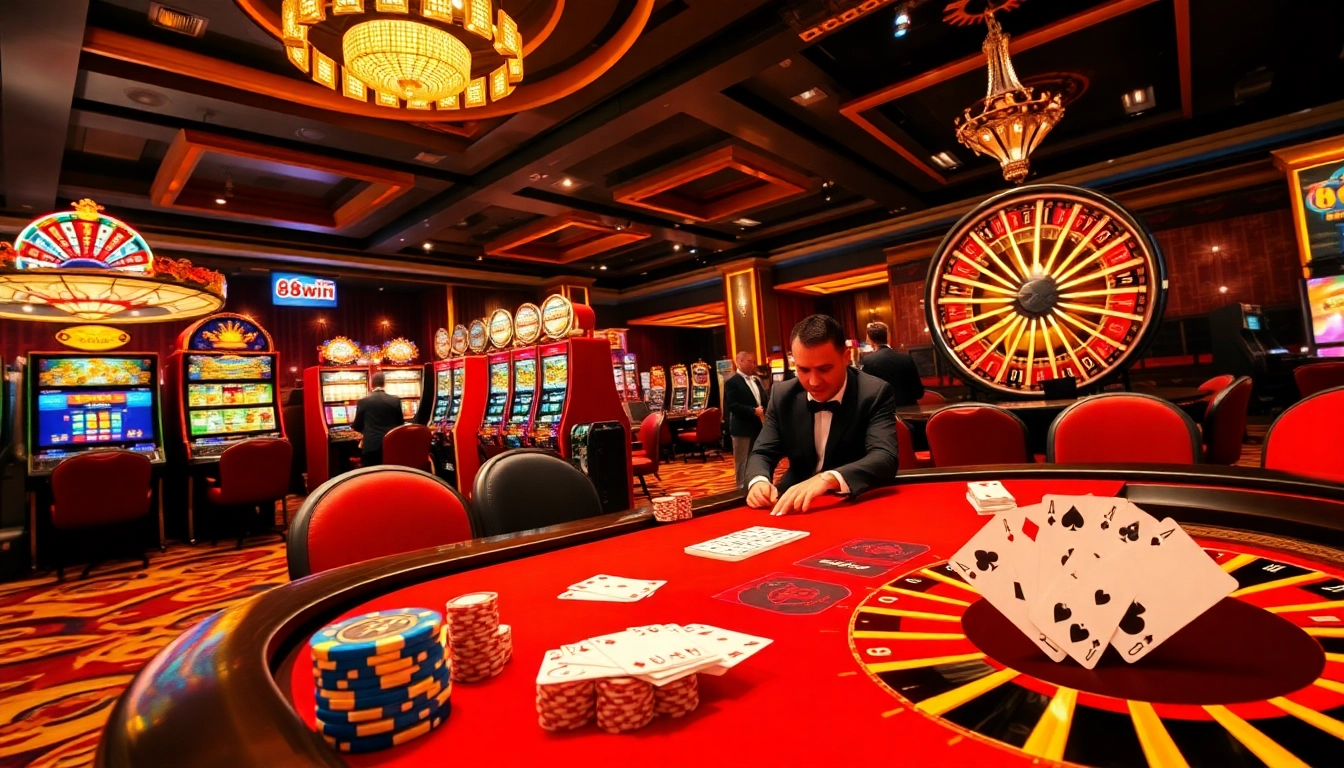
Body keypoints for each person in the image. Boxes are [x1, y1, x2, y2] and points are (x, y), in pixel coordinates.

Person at [745, 314, 899, 516]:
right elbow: (762, 453)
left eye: (824, 369)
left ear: (845, 357)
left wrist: (827, 479)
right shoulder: (783, 395)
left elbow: (885, 457)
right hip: (794, 506)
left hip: (854, 504)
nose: (814, 381)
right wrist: (759, 481)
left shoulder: (874, 393)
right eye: (803, 369)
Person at [722, 350, 769, 487]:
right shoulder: (732, 382)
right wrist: (752, 410)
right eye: (750, 362)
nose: (754, 365)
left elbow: (763, 400)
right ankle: (741, 488)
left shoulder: (756, 380)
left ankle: (754, 484)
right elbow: (732, 405)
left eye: (754, 362)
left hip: (758, 426)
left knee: (757, 458)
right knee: (742, 461)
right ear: (740, 362)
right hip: (742, 428)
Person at [859, 321, 925, 407]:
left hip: (882, 415)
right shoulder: (906, 359)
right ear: (888, 337)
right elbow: (919, 393)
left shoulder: (867, 361)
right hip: (910, 414)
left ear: (870, 340)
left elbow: (864, 394)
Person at [351, 371, 403, 468]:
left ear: (371, 383)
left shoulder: (363, 401)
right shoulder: (395, 400)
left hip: (371, 446)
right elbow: (400, 424)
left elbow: (357, 425)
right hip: (391, 445)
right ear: (384, 383)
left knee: (373, 475)